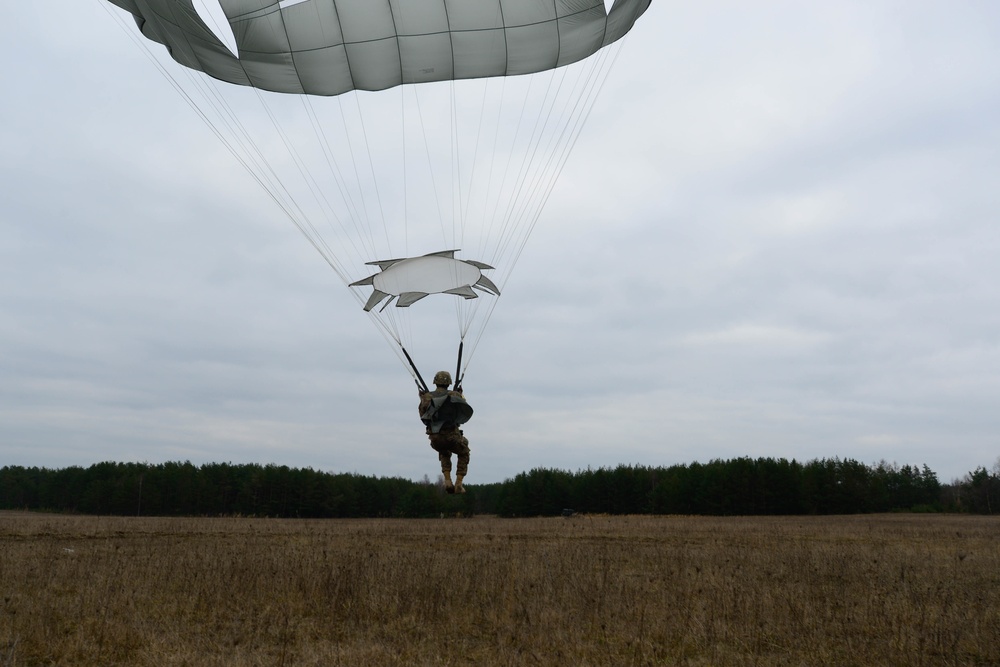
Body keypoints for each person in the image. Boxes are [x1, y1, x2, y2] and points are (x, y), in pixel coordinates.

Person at [418, 371, 472, 494]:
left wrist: (422, 399)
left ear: (435, 381)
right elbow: (462, 410)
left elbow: (423, 416)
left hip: (435, 439)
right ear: (449, 383)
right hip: (451, 437)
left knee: (444, 451)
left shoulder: (427, 397)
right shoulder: (454, 395)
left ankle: (447, 480)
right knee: (464, 451)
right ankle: (459, 483)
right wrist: (460, 394)